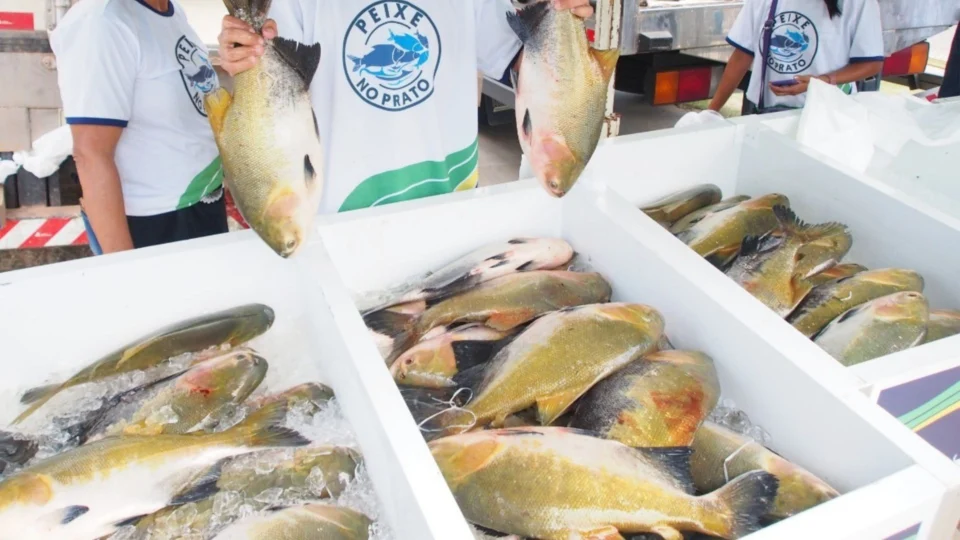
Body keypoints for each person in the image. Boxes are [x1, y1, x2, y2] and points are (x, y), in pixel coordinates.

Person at [217, 0, 593, 214]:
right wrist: (245, 53)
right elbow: (272, 70)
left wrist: (562, 14)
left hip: (450, 200)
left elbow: (523, 59)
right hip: (344, 211)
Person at [51, 0, 228, 255]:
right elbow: (91, 153)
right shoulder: (101, 22)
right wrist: (126, 266)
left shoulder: (170, 10)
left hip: (202, 204)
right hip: (156, 222)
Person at [708, 0, 885, 114]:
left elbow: (871, 63)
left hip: (829, 116)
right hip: (766, 115)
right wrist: (712, 111)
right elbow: (741, 56)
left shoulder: (858, 3)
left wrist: (823, 81)